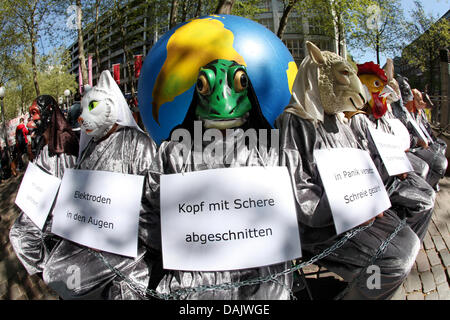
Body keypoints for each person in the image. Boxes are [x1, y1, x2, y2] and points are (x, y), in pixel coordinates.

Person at [275, 42, 420, 299]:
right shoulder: (294, 121)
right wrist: (346, 208)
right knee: (392, 262)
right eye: (344, 74)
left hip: (358, 216)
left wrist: (373, 198)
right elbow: (298, 189)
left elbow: (361, 167)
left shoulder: (341, 122)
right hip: (323, 227)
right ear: (317, 75)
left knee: (408, 240)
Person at [151, 59, 292, 299]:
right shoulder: (174, 152)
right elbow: (152, 208)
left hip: (258, 272)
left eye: (239, 83)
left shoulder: (270, 152)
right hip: (194, 273)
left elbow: (287, 209)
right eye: (205, 86)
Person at [42, 70, 158, 300]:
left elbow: (154, 201)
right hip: (87, 246)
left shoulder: (138, 143)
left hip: (126, 251)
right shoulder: (89, 148)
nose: (82, 118)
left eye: (92, 106)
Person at [345, 62, 435, 241]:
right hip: (381, 183)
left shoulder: (379, 117)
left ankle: (408, 235)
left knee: (427, 192)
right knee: (423, 202)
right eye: (377, 85)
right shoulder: (357, 120)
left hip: (390, 176)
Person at [9, 95, 79, 276]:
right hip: (42, 211)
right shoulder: (42, 141)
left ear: (48, 112)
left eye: (35, 113)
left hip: (58, 222)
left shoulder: (64, 144)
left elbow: (68, 190)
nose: (32, 119)